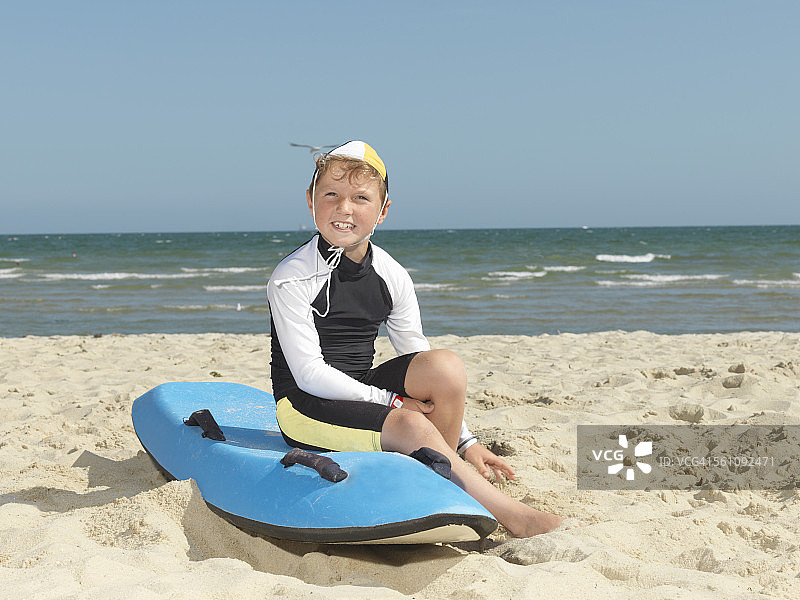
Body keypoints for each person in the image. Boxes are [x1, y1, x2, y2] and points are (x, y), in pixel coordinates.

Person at [267, 141, 562, 537]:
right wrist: (390, 402)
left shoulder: (391, 274)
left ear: (383, 211)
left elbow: (416, 355)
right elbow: (308, 374)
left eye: (360, 198)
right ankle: (514, 516)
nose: (344, 208)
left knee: (444, 367)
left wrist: (467, 442)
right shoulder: (292, 276)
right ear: (310, 200)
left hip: (361, 389)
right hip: (304, 406)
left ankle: (441, 482)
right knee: (408, 422)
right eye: (331, 194)